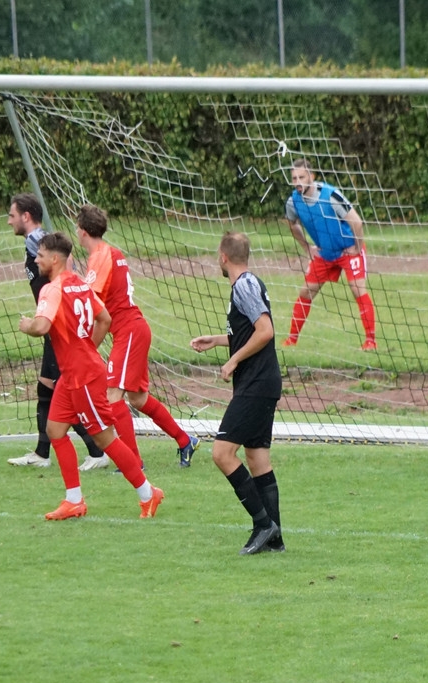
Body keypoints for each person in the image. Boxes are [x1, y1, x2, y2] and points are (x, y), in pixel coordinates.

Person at [18, 231, 164, 520]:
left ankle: (148, 493)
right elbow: (104, 318)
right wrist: (88, 347)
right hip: (73, 373)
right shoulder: (80, 284)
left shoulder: (52, 289)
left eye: (41, 255)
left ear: (55, 259)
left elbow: (42, 326)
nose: (36, 260)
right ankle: (74, 501)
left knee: (104, 439)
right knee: (55, 430)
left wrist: (27, 325)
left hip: (83, 376)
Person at [75, 204, 200, 468]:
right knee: (138, 399)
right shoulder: (111, 253)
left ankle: (132, 463)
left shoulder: (101, 255)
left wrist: (86, 346)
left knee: (113, 395)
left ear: (82, 231)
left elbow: (94, 306)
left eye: (77, 227)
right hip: (133, 330)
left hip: (129, 331)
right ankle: (184, 440)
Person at [190, 231, 284, 555]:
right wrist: (218, 340)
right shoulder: (249, 283)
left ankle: (263, 524)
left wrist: (233, 360)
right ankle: (275, 539)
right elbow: (249, 332)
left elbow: (265, 331)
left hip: (256, 384)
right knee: (257, 459)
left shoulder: (243, 285)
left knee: (221, 453)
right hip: (262, 382)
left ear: (223, 257)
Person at [6, 193, 109, 471]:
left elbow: (66, 261)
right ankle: (42, 453)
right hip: (53, 326)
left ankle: (97, 451)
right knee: (46, 388)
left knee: (63, 392)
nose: (9, 221)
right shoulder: (37, 242)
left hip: (57, 327)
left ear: (26, 216)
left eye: (12, 216)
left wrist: (56, 296)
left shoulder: (37, 240)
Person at [283, 158, 377, 351]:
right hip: (325, 253)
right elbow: (292, 224)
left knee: (357, 288)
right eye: (294, 178)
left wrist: (357, 247)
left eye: (302, 177)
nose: (298, 182)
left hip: (348, 250)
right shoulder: (293, 202)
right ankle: (291, 340)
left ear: (311, 176)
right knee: (306, 291)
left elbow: (357, 222)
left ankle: (370, 342)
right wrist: (307, 248)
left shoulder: (330, 195)